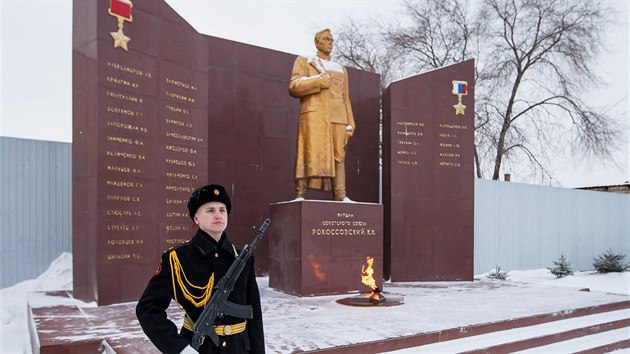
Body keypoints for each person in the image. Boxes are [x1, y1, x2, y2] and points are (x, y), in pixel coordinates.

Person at [136, 184, 265, 354]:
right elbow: (147, 309)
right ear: (196, 218)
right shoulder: (178, 258)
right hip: (199, 349)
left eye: (222, 210)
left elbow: (254, 315)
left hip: (239, 348)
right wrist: (179, 348)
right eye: (210, 210)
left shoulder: (243, 258)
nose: (218, 215)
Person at [289, 28, 356, 201]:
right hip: (316, 116)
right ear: (317, 42)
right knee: (308, 152)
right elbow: (294, 86)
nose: (330, 42)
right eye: (326, 39)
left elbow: (345, 97)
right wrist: (318, 81)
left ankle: (341, 195)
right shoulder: (305, 61)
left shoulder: (341, 68)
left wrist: (351, 121)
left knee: (339, 156)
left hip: (339, 117)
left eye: (332, 40)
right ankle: (300, 193)